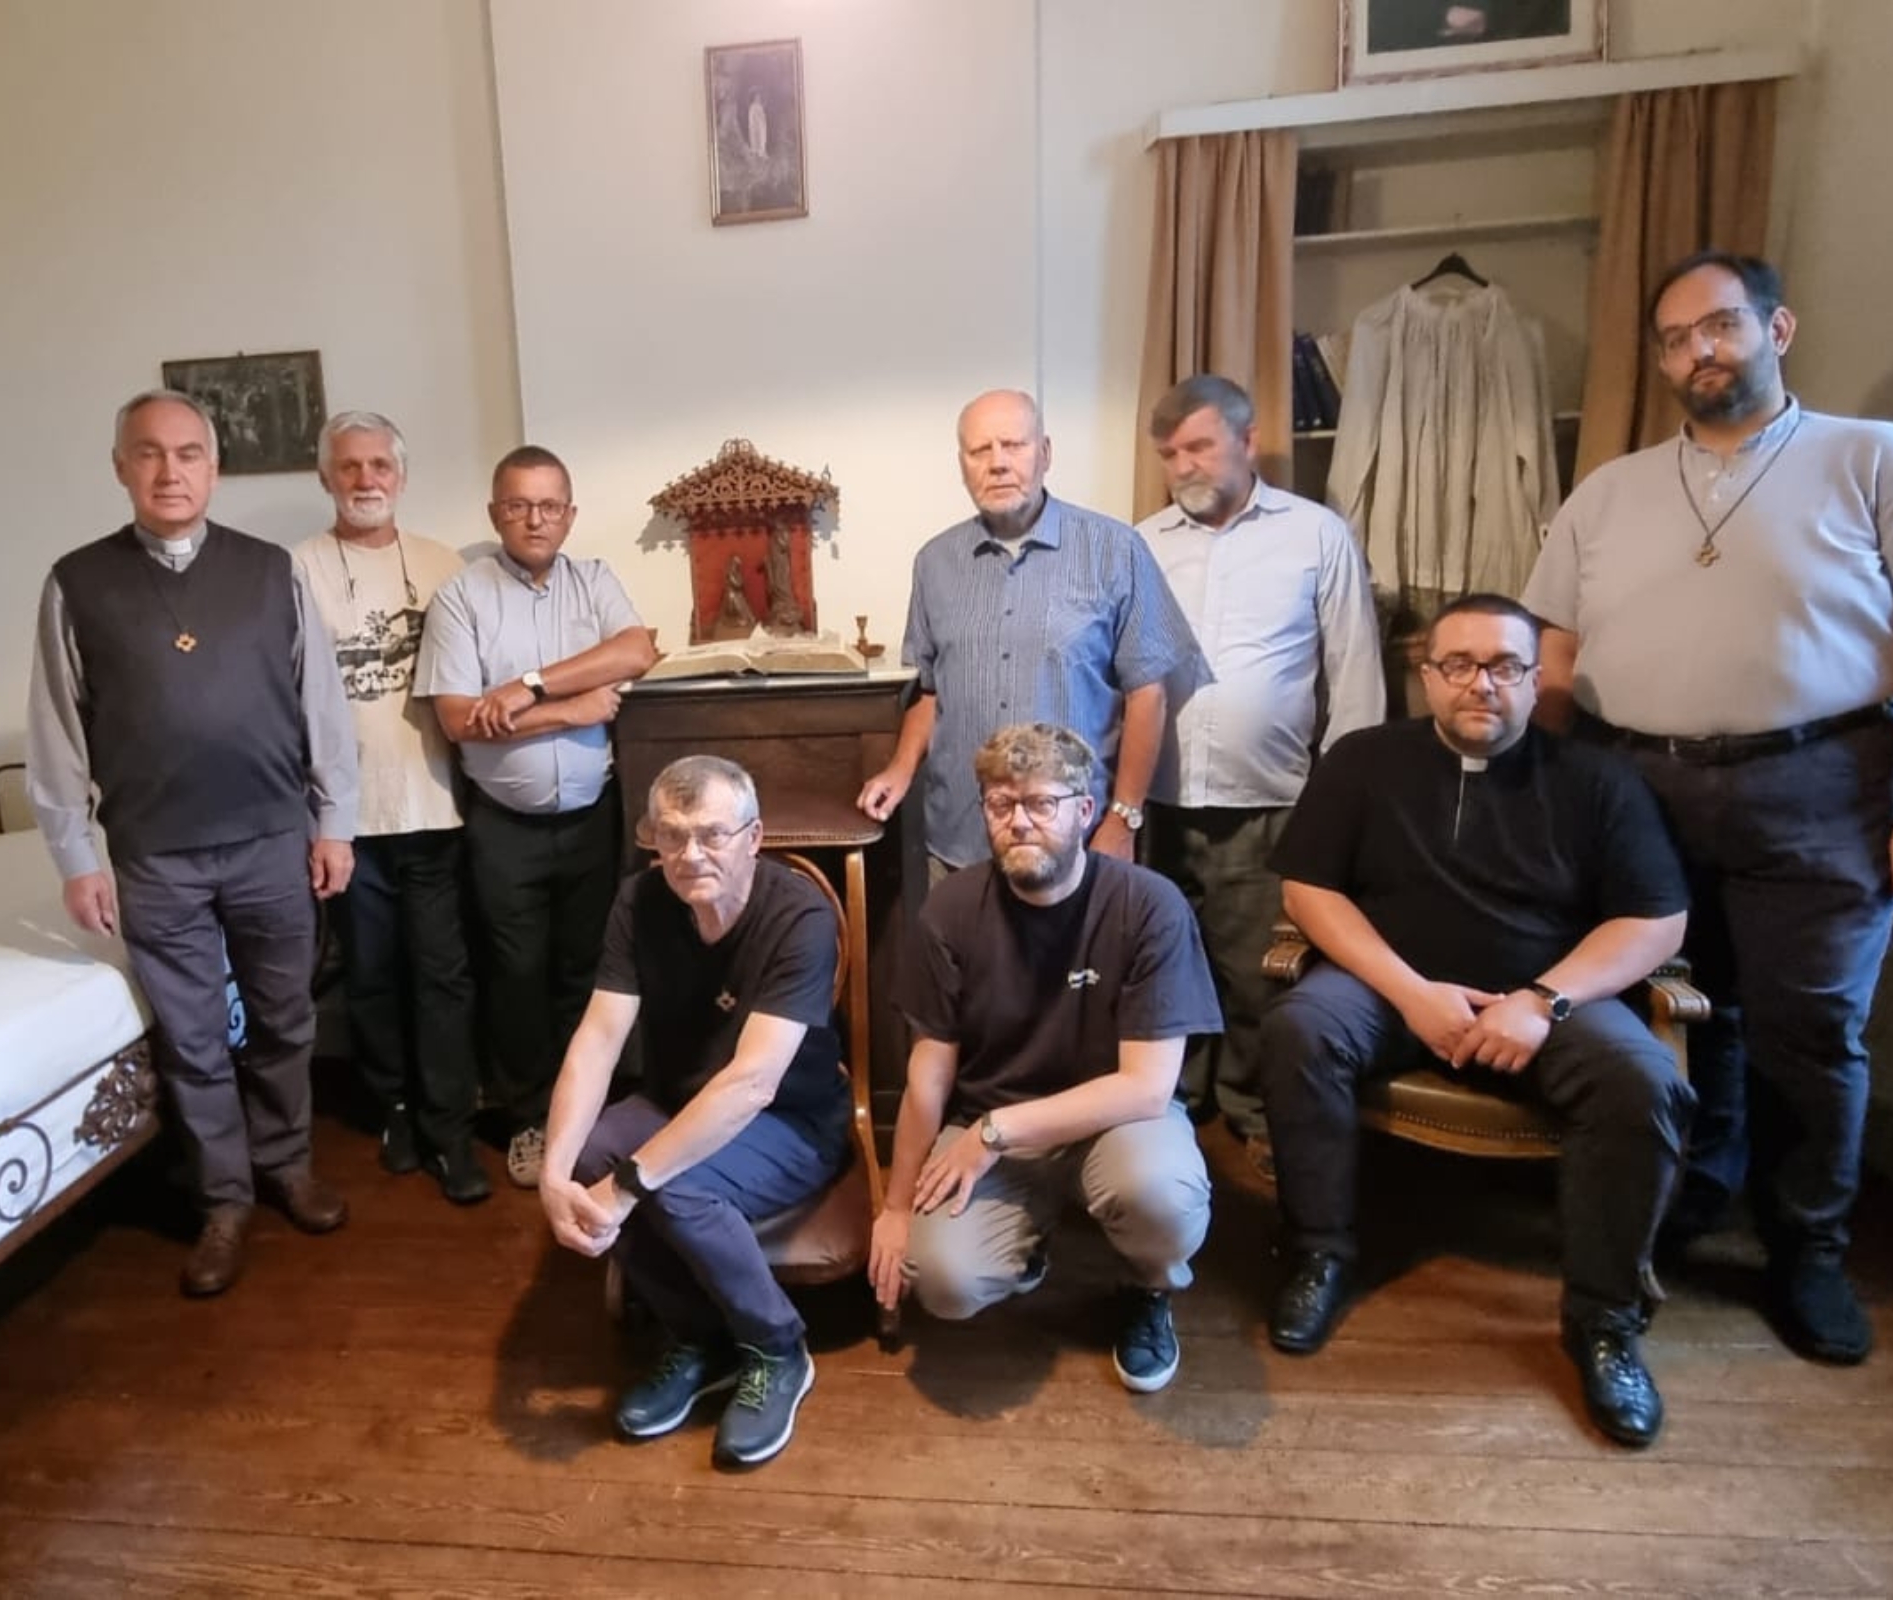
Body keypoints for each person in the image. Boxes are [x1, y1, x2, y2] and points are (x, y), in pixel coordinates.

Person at [1523, 251, 1893, 1367]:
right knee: (1685, 1013)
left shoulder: (1876, 457)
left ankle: (1808, 1250)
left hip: (1821, 785)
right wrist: (1547, 801)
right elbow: (1553, 655)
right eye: (1675, 337)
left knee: (1811, 1027)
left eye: (1721, 325)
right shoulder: (1609, 490)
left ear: (1776, 329)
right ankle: (1695, 1198)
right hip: (1638, 784)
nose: (1699, 350)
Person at [1258, 594, 1693, 1447]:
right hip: (1391, 989)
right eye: (1458, 665)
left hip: (1549, 1003)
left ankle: (1604, 1322)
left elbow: (1657, 921)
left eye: (1503, 666)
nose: (1480, 684)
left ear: (1535, 681)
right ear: (1427, 676)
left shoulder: (1599, 781)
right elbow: (1308, 889)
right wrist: (1412, 992)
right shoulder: (1363, 760)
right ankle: (1319, 1254)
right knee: (1298, 1029)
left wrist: (1542, 1001)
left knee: (1642, 1084)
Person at [26, 389, 359, 1297]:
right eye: (149, 453)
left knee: (285, 1018)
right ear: (121, 466)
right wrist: (76, 858)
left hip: (271, 842)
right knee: (194, 1036)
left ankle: (286, 1163)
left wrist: (334, 822)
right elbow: (56, 734)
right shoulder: (78, 583)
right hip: (155, 857)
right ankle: (224, 1199)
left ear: (214, 467)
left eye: (187, 454)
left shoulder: (270, 572)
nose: (169, 471)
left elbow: (322, 706)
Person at [866, 723, 1219, 1394]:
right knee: (941, 1280)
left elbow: (1147, 1088)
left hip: (1115, 1124)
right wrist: (896, 1206)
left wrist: (995, 1133)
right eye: (1001, 804)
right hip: (990, 1122)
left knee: (1161, 1199)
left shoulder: (1148, 906)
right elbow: (928, 1077)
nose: (1020, 822)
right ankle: (1024, 1245)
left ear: (1085, 811)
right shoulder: (949, 912)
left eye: (1041, 803)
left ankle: (1147, 1287)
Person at [540, 756, 846, 1468]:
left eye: (711, 834)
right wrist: (553, 1173)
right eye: (672, 836)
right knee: (588, 1156)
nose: (690, 855)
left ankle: (777, 1348)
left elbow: (751, 1084)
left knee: (670, 1182)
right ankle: (701, 1337)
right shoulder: (640, 900)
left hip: (792, 1122)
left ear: (754, 837)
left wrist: (627, 1186)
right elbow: (598, 1039)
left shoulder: (798, 915)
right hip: (677, 1099)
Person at [1137, 375, 1385, 1172]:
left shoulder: (1316, 535)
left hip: (1272, 798)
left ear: (1247, 441)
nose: (1183, 466)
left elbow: (1355, 676)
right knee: (1170, 962)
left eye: (1199, 446)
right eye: (1169, 453)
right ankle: (1177, 1104)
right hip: (1159, 801)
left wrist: (1341, 806)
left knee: (1256, 971)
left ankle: (1252, 1109)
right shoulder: (1142, 544)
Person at [414, 445, 657, 1187]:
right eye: (518, 505)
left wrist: (528, 686)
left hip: (591, 817)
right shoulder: (462, 598)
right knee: (515, 975)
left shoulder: (595, 581)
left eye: (549, 506)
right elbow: (459, 717)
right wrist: (573, 709)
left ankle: (581, 1116)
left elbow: (637, 649)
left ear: (570, 515)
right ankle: (526, 1116)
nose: (535, 519)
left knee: (587, 968)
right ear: (496, 514)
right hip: (504, 825)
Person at [858, 389, 1203, 876]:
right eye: (980, 450)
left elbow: (1148, 694)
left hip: (1075, 842)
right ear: (962, 465)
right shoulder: (935, 563)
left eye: (1013, 445)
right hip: (962, 840)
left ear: (1045, 453)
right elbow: (930, 690)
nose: (997, 463)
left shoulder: (1115, 550)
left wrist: (1123, 819)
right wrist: (900, 768)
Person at [290, 411, 490, 1205]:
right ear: (326, 477)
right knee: (370, 977)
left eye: (379, 465)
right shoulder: (295, 568)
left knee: (443, 976)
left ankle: (449, 1127)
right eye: (349, 466)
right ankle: (395, 1111)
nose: (365, 479)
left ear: (400, 477)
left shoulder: (443, 564)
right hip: (346, 821)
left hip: (435, 808)